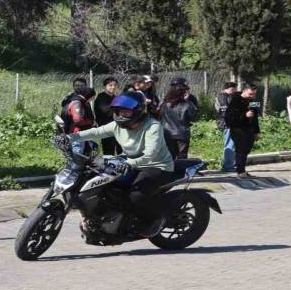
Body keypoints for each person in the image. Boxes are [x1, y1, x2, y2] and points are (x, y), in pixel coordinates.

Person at [67, 91, 174, 221]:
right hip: (128, 161)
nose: (121, 115)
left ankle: (152, 221)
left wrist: (129, 163)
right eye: (118, 112)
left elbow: (151, 154)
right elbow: (96, 132)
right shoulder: (117, 126)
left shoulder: (152, 126)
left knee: (135, 195)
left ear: (137, 111)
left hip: (156, 165)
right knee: (104, 185)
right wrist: (70, 138)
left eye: (126, 112)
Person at [223, 83, 261, 179]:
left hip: (249, 130)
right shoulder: (235, 100)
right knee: (241, 150)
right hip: (238, 130)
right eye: (250, 94)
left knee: (246, 150)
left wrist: (256, 131)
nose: (252, 96)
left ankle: (242, 170)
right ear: (244, 91)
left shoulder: (252, 101)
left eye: (254, 94)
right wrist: (244, 115)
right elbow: (229, 117)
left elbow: (255, 118)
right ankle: (240, 171)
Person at [161, 81, 198, 160]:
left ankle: (171, 168)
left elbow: (160, 117)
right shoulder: (187, 104)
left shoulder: (165, 104)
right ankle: (180, 168)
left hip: (167, 133)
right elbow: (194, 118)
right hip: (182, 134)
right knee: (182, 157)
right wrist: (188, 101)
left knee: (169, 156)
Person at [214, 81, 238, 172]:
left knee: (232, 144)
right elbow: (225, 112)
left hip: (229, 123)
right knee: (230, 145)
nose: (236, 90)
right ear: (231, 88)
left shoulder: (228, 96)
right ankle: (228, 166)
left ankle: (231, 165)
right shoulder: (223, 97)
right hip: (227, 124)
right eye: (234, 88)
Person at [93, 77, 121, 155]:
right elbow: (107, 112)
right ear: (105, 86)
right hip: (106, 128)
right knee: (109, 152)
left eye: (115, 85)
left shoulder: (115, 97)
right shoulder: (101, 97)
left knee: (120, 150)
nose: (113, 87)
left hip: (117, 127)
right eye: (110, 85)